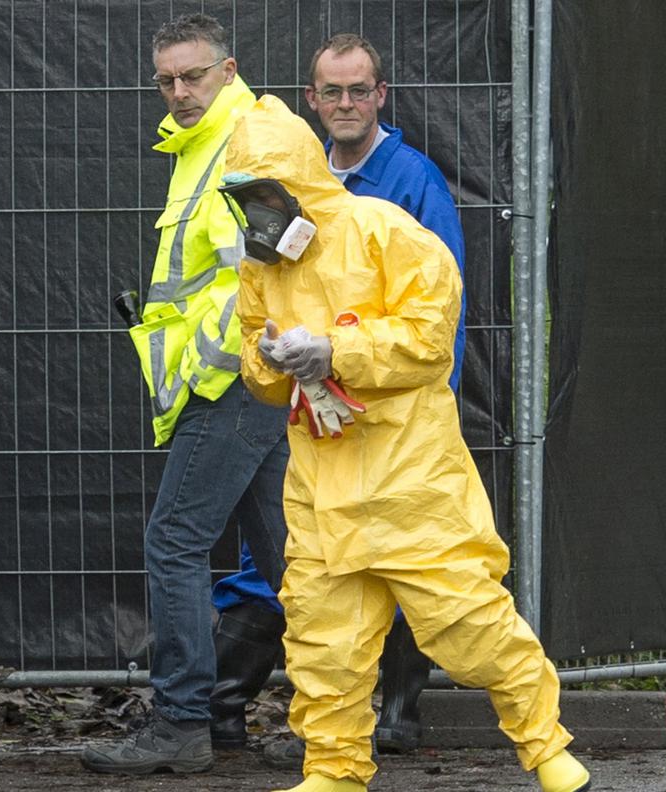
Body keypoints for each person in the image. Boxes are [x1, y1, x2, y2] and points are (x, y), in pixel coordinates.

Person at [221, 94, 591, 792]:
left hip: (411, 479)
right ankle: (333, 770)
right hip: (323, 489)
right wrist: (272, 363)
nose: (259, 210)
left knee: (470, 622)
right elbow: (253, 359)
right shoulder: (262, 268)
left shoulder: (382, 230)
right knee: (324, 643)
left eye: (265, 191)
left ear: (297, 178)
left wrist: (338, 348)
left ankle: (546, 748)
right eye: (245, 196)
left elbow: (428, 337)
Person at [211, 32, 468, 761]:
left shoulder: (411, 180)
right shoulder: (281, 183)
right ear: (312, 101)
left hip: (395, 419)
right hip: (311, 415)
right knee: (314, 567)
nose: (347, 104)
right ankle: (303, 724)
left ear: (380, 96)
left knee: (400, 559)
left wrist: (420, 410)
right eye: (333, 92)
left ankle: (395, 716)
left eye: (360, 90)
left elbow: (439, 312)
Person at [79, 13, 290, 776]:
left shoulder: (248, 142)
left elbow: (283, 259)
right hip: (241, 375)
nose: (178, 91)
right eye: (166, 79)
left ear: (228, 70)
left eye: (193, 75)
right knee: (288, 556)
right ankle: (336, 716)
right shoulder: (209, 142)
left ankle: (179, 722)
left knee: (175, 541)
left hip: (233, 378)